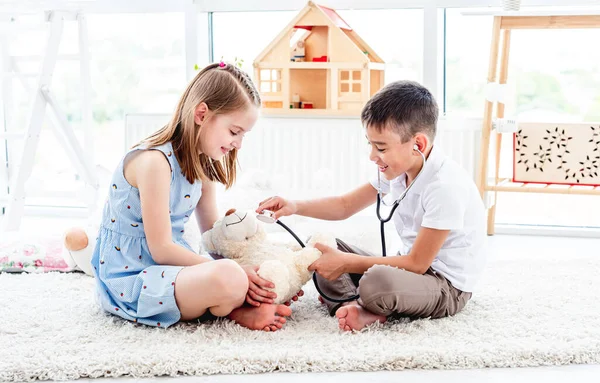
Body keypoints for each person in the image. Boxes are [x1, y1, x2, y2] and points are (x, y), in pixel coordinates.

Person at [64, 62, 294, 331]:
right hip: (134, 278)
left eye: (243, 135)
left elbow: (213, 237)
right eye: (234, 131)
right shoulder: (154, 162)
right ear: (201, 114)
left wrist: (260, 272)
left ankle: (238, 302)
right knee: (230, 276)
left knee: (251, 274)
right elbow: (160, 249)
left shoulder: (202, 164)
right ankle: (234, 309)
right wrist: (236, 272)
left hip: (174, 271)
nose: (238, 144)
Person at [256, 80, 487, 331]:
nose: (372, 156)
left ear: (417, 145)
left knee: (377, 281)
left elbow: (418, 263)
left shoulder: (445, 186)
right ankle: (357, 307)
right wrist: (294, 205)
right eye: (370, 144)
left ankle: (366, 305)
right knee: (320, 247)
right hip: (410, 274)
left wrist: (347, 263)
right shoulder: (400, 170)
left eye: (381, 147)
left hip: (446, 286)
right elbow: (345, 205)